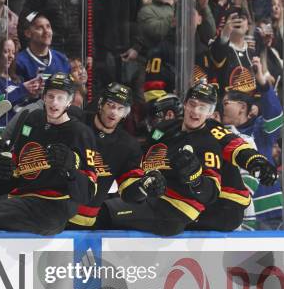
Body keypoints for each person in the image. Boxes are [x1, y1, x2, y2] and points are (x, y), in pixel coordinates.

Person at [101, 82, 276, 235]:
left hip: (223, 206)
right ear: (185, 104)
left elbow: (237, 147)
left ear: (211, 113)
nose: (196, 111)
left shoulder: (213, 132)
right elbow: (145, 158)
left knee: (167, 218)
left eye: (204, 107)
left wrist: (256, 162)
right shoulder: (165, 129)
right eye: (192, 104)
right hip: (182, 201)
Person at [0, 72, 98, 235]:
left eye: (60, 98)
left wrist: (70, 170)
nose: (54, 102)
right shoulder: (33, 119)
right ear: (43, 97)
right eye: (51, 96)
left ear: (69, 101)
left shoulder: (80, 133)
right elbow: (16, 170)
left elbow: (89, 192)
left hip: (53, 208)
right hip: (22, 199)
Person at [67, 83, 165, 229]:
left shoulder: (128, 146)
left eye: (120, 109)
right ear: (101, 104)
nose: (114, 112)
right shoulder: (75, 120)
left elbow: (128, 192)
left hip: (85, 222)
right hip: (55, 210)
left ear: (126, 113)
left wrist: (144, 187)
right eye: (111, 105)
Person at [221, 57, 283, 228]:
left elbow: (276, 115)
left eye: (226, 103)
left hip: (267, 211)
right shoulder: (221, 134)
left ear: (242, 107)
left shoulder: (260, 129)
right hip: (237, 213)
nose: (222, 107)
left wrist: (262, 83)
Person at [0, 37, 41, 130]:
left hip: (20, 128)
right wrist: (22, 90)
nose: (11, 56)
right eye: (6, 52)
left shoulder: (16, 79)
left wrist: (34, 95)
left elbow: (23, 105)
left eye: (13, 52)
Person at [15, 12, 70, 82]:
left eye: (48, 26)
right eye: (40, 28)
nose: (46, 31)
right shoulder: (19, 62)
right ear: (28, 33)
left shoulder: (62, 59)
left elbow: (71, 88)